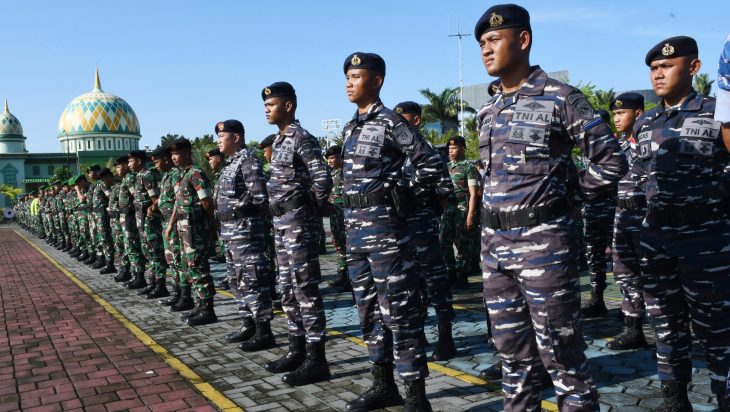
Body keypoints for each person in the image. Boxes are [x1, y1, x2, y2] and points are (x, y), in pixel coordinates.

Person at [474, 5, 627, 410]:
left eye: (494, 39)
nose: (486, 49)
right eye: (482, 43)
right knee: (512, 360)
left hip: (544, 249)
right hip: (495, 249)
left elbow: (611, 161)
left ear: (523, 40)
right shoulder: (487, 111)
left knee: (563, 361)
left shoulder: (560, 98)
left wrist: (569, 196)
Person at [341, 52, 443, 412]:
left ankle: (416, 396)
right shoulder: (350, 128)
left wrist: (401, 192)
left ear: (377, 81)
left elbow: (431, 165)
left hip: (386, 234)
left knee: (399, 312)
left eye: (357, 76)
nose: (349, 83)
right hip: (355, 235)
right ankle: (383, 386)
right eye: (347, 77)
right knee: (368, 312)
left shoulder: (391, 123)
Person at [637, 36, 730, 411]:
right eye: (654, 68)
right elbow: (640, 179)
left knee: (717, 329)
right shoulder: (646, 122)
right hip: (657, 240)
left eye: (667, 66)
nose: (658, 74)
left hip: (706, 240)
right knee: (665, 325)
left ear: (694, 67)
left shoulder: (716, 113)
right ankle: (674, 400)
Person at [261, 81, 333, 386]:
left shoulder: (302, 138)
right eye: (265, 106)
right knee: (288, 289)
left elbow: (322, 178)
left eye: (271, 105)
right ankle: (297, 349)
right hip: (281, 224)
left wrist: (308, 211)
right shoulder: (279, 141)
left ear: (288, 105)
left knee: (305, 289)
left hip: (298, 223)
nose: (266, 110)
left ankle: (317, 359)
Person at [394, 100, 456, 361]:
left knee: (434, 281)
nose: (397, 125)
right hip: (400, 227)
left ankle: (446, 337)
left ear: (416, 121)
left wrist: (428, 214)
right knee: (410, 283)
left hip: (423, 225)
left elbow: (445, 191)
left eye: (403, 119)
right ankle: (418, 334)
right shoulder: (394, 152)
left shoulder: (426, 150)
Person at [214, 120, 275, 351]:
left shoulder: (248, 160)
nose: (218, 141)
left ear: (236, 137)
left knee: (252, 279)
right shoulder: (231, 163)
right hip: (230, 231)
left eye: (222, 136)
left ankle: (264, 330)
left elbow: (260, 198)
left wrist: (252, 224)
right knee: (235, 279)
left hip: (245, 230)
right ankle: (248, 324)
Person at [605, 92, 647, 350]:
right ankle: (633, 330)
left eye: (621, 113)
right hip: (622, 216)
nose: (616, 119)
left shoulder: (651, 141)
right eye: (614, 114)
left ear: (638, 113)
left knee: (654, 275)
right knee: (624, 274)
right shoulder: (618, 146)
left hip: (646, 216)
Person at [166, 138, 218, 325]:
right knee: (189, 267)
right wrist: (171, 225)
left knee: (198, 267)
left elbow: (207, 202)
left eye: (177, 154)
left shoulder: (195, 173)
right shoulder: (182, 175)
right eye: (172, 154)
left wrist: (209, 224)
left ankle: (208, 309)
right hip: (184, 229)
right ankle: (200, 304)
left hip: (195, 230)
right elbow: (178, 204)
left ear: (187, 153)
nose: (173, 158)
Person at [441, 135, 481, 289]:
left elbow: (473, 194)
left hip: (463, 209)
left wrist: (470, 216)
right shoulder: (446, 167)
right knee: (444, 241)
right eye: (449, 148)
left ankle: (462, 275)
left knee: (463, 243)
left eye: (454, 148)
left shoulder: (469, 168)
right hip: (448, 209)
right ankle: (451, 272)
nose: (451, 151)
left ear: (463, 149)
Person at [128, 150, 168, 299]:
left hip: (150, 222)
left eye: (131, 161)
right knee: (149, 254)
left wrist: (151, 210)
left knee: (155, 254)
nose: (129, 165)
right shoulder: (139, 176)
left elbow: (155, 199)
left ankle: (160, 286)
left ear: (139, 161)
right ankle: (152, 283)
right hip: (142, 222)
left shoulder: (147, 176)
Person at [151, 146, 186, 307]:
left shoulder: (175, 175)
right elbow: (165, 197)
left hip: (175, 223)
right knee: (171, 260)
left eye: (157, 162)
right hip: (166, 223)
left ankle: (185, 296)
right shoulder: (166, 176)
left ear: (165, 160)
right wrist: (153, 206)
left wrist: (171, 224)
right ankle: (176, 293)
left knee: (178, 260)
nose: (155, 165)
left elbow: (178, 201)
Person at [324, 145, 350, 291]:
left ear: (341, 156)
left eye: (332, 158)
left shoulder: (348, 171)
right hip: (334, 211)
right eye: (328, 158)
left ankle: (349, 277)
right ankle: (342, 275)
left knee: (347, 243)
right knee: (338, 243)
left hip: (345, 211)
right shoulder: (330, 173)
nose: (330, 161)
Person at [206, 147, 227, 264]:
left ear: (218, 159)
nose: (209, 162)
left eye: (210, 159)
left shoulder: (227, 173)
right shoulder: (219, 175)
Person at [96, 168, 117, 275]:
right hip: (102, 215)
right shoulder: (99, 184)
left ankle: (110, 264)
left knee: (106, 239)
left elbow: (110, 196)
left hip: (105, 216)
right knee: (103, 239)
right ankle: (107, 262)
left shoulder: (114, 186)